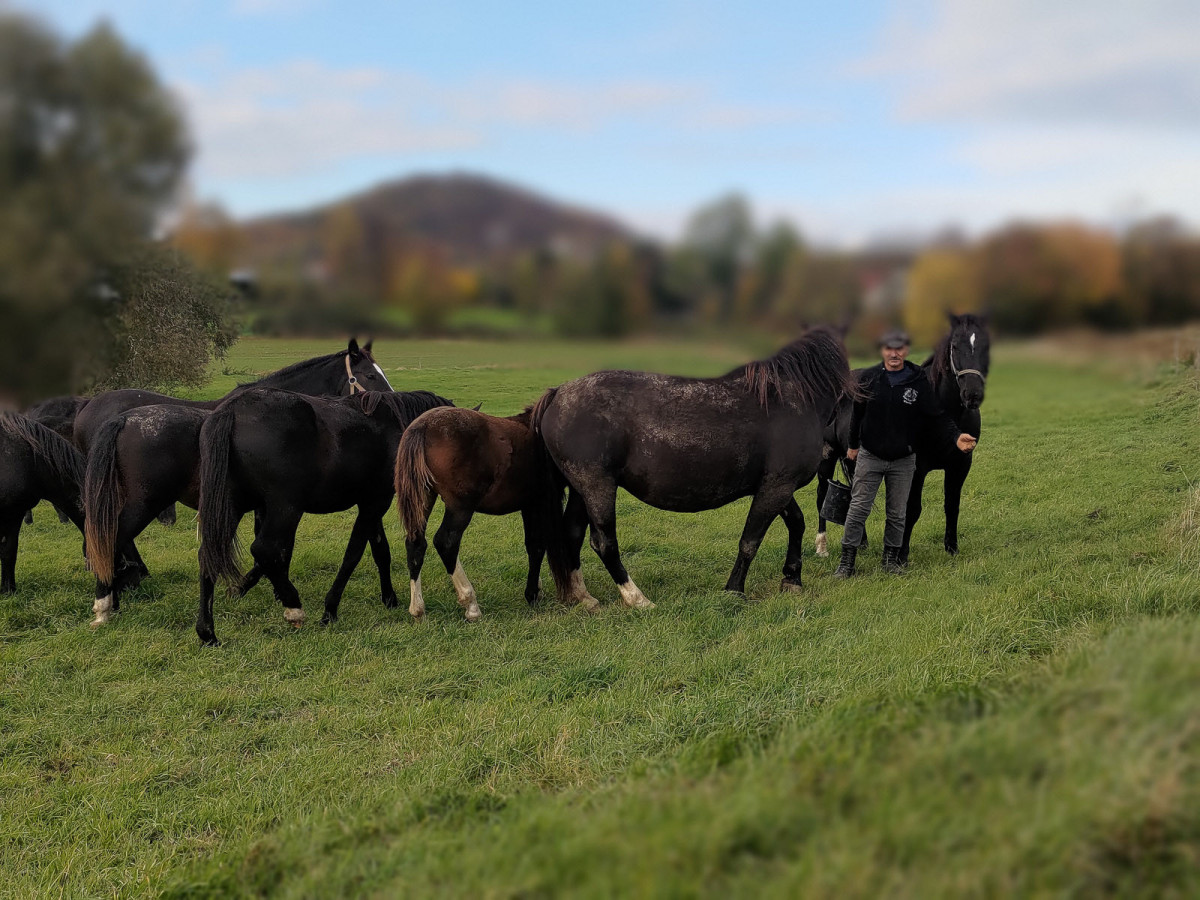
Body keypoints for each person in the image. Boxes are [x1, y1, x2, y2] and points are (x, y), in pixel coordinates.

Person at [834, 330, 977, 578]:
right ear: (883, 351)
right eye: (890, 348)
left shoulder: (918, 379)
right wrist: (853, 445)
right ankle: (846, 563)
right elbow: (857, 413)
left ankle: (891, 560)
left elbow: (936, 414)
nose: (894, 353)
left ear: (906, 351)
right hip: (871, 455)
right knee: (858, 509)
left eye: (899, 348)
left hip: (903, 459)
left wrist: (956, 436)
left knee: (898, 513)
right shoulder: (869, 377)